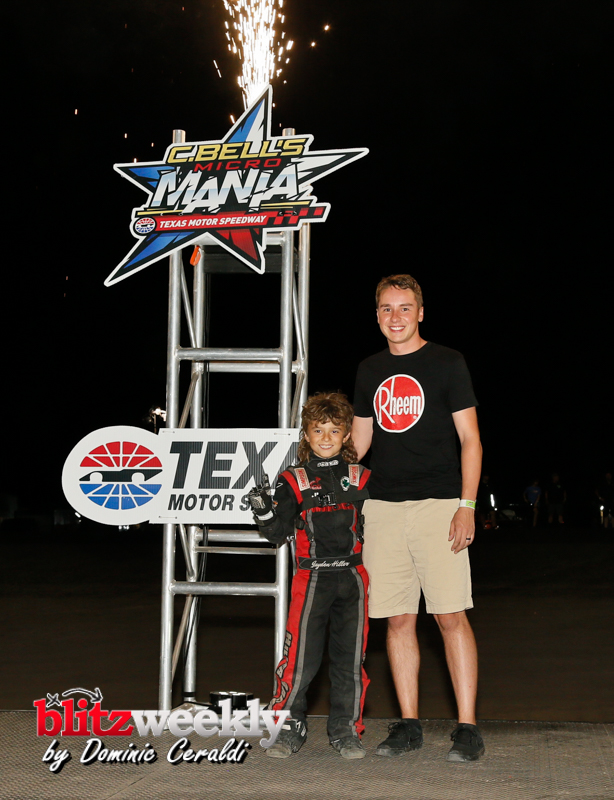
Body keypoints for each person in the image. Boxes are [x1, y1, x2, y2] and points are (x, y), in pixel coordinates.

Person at [351, 274, 484, 763]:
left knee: (450, 615)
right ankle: (408, 725)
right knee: (398, 619)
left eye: (405, 308)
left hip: (439, 505)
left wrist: (466, 506)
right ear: (377, 315)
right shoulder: (370, 369)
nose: (396, 317)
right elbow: (359, 442)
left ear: (421, 313)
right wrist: (324, 472)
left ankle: (467, 728)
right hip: (383, 508)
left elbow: (471, 440)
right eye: (387, 309)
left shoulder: (447, 362)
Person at [249, 392, 371, 760]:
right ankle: (288, 728)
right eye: (318, 430)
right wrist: (264, 512)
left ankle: (346, 730)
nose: (326, 438)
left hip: (354, 578)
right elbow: (276, 534)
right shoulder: (292, 479)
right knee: (299, 661)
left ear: (346, 434)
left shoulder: (363, 477)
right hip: (312, 579)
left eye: (334, 430)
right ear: (306, 434)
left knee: (351, 661)